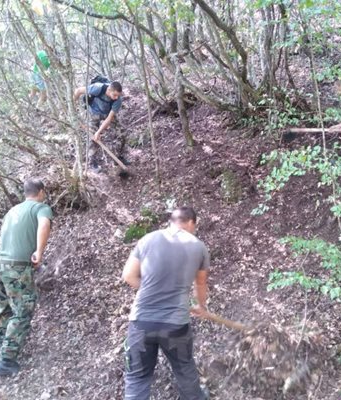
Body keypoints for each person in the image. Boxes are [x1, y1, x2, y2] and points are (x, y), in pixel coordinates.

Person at [122, 207, 210, 400]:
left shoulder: (147, 240)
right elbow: (201, 282)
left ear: (171, 221)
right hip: (175, 325)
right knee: (184, 368)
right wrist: (201, 306)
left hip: (141, 323)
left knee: (137, 378)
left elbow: (128, 275)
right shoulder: (198, 247)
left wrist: (151, 291)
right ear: (192, 223)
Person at [0, 178, 53, 377]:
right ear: (41, 191)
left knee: (4, 307)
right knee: (23, 309)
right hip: (17, 267)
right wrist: (39, 252)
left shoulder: (12, 211)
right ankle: (6, 361)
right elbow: (44, 225)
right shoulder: (40, 208)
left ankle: (2, 345)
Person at [73, 80, 126, 172]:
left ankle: (118, 157)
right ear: (109, 90)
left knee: (122, 134)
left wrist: (99, 132)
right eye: (114, 95)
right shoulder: (97, 88)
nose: (116, 97)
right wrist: (72, 106)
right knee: (92, 138)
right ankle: (92, 163)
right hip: (93, 113)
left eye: (118, 95)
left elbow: (109, 119)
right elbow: (78, 91)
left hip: (106, 114)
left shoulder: (118, 100)